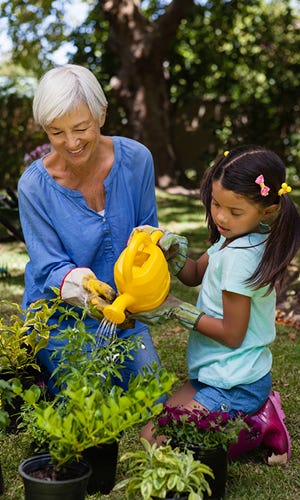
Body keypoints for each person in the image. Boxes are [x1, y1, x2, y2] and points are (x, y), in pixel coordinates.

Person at [130, 145, 300, 463]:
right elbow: (194, 274)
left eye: (234, 212)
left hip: (236, 384)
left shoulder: (241, 259)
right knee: (153, 432)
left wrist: (178, 309)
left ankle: (260, 425)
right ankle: (254, 413)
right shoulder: (233, 236)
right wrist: (174, 254)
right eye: (216, 203)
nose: (220, 217)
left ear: (269, 210)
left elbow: (232, 334)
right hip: (215, 374)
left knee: (159, 442)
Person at [17, 64, 163, 395]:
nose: (70, 143)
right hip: (62, 321)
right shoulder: (34, 187)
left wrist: (157, 256)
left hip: (124, 315)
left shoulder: (137, 160)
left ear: (101, 115)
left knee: (154, 397)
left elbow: (146, 235)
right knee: (87, 403)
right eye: (56, 132)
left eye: (81, 127)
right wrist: (86, 289)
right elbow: (49, 267)